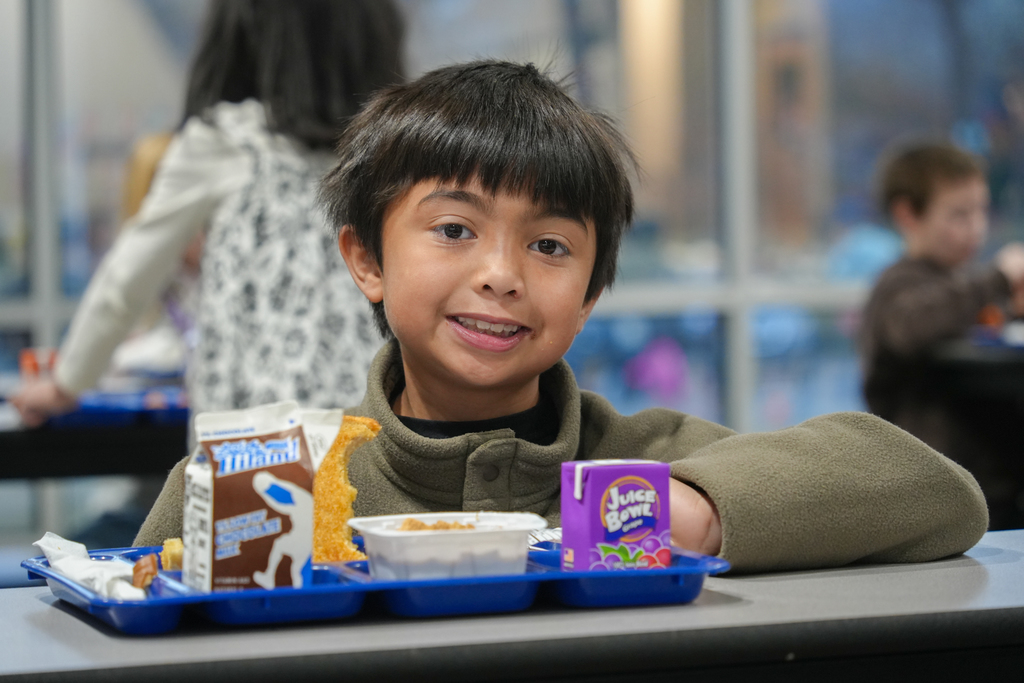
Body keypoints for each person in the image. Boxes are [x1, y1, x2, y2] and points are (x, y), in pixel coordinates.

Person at [136, 61, 987, 573]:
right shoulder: (275, 489)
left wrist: (685, 512)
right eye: (455, 229)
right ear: (365, 260)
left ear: (588, 295)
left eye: (549, 247)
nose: (502, 275)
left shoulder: (642, 458)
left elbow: (937, 494)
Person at [12, 0, 404, 428]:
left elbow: (125, 280)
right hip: (373, 412)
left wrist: (66, 383)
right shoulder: (386, 148)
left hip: (253, 433)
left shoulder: (226, 140)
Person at [860, 141, 1024, 529]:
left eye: (981, 211)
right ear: (908, 214)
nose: (976, 228)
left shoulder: (965, 289)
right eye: (958, 214)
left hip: (992, 490)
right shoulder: (897, 286)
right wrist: (999, 279)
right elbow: (913, 326)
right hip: (932, 494)